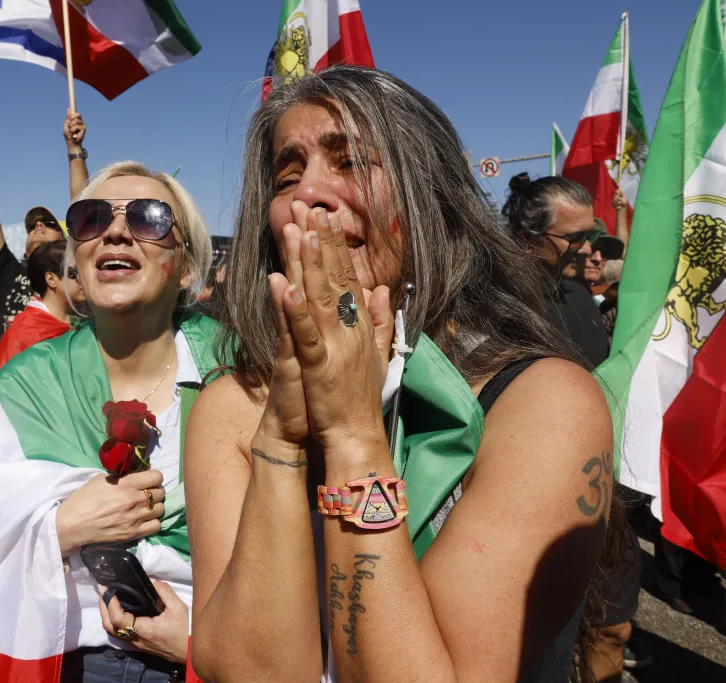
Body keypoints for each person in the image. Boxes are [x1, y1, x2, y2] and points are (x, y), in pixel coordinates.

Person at [185, 66, 613, 683]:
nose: (309, 194)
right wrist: (280, 439)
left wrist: (355, 437)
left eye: (351, 161)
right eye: (287, 175)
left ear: (431, 195)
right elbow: (252, 670)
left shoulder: (542, 403)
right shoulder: (234, 405)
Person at [0, 162, 218, 683]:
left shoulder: (244, 373)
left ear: (187, 265)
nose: (115, 231)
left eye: (148, 218)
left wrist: (199, 647)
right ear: (76, 258)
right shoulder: (27, 385)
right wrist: (59, 528)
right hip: (63, 658)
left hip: (220, 657)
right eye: (91, 218)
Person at [503, 173, 646, 680]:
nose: (592, 251)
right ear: (527, 239)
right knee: (544, 650)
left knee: (613, 628)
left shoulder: (581, 295)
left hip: (606, 500)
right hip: (531, 514)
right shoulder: (492, 303)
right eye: (578, 238)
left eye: (595, 236)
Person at [0, 109, 83, 351]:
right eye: (32, 226)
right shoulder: (5, 272)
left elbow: (82, 208)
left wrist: (74, 150)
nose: (38, 226)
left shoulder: (77, 276)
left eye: (49, 223)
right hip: (11, 385)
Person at [503, 173, 610, 367]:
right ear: (527, 240)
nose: (586, 249)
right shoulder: (499, 312)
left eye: (590, 236)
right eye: (574, 238)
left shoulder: (582, 297)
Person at [0, 240, 85, 374]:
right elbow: (7, 388)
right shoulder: (23, 333)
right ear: (51, 279)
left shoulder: (87, 322)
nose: (84, 279)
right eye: (75, 272)